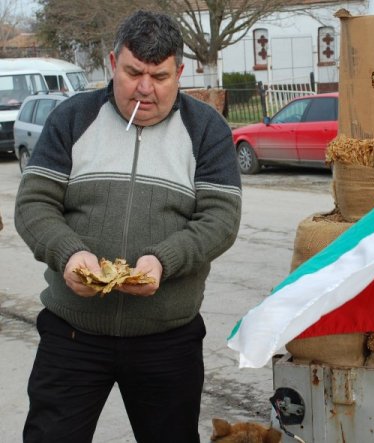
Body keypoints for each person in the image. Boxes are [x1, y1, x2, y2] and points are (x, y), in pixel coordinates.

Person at [14, 10, 242, 443]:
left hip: (167, 338)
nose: (144, 88)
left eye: (159, 76)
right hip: (72, 333)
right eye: (133, 72)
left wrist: (163, 259)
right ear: (112, 61)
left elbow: (220, 219)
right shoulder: (73, 118)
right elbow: (34, 204)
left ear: (180, 71)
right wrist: (69, 254)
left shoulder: (206, 129)